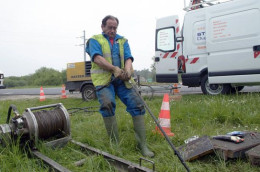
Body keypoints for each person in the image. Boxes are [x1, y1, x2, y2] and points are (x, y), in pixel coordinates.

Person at [86, 15, 154, 157]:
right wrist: (114, 69)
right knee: (108, 104)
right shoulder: (94, 40)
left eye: (115, 27)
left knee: (137, 104)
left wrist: (128, 70)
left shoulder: (123, 41)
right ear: (103, 27)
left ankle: (142, 145)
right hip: (104, 80)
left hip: (123, 79)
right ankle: (115, 145)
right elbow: (97, 58)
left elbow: (128, 58)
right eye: (109, 27)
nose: (112, 30)